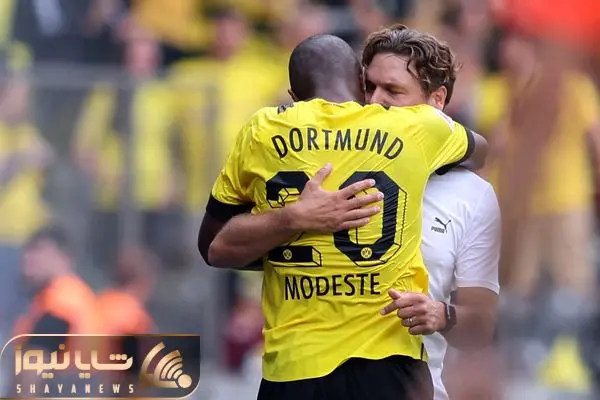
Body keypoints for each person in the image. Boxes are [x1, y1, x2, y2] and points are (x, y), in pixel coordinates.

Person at [201, 25, 500, 400]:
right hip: (323, 366)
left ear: (437, 101)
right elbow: (219, 248)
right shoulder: (315, 152)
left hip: (399, 375)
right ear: (356, 83)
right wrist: (292, 219)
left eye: (392, 91)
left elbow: (484, 323)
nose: (375, 102)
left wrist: (443, 314)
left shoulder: (473, 196)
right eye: (369, 87)